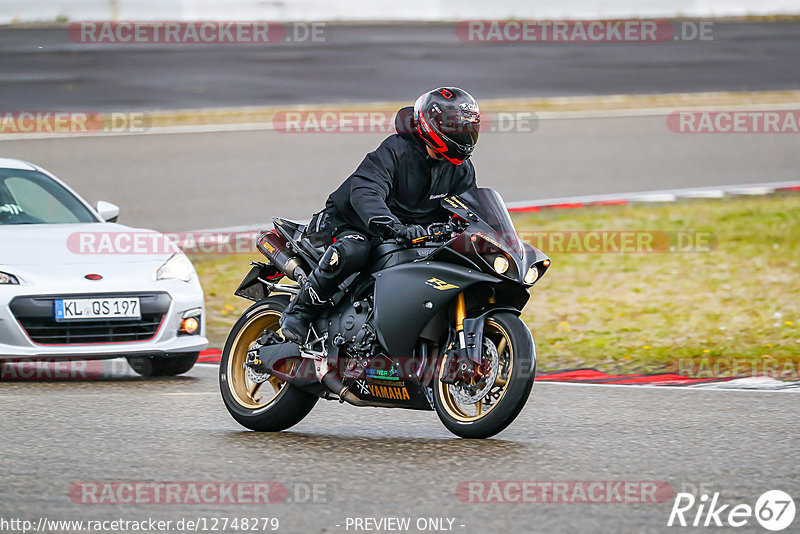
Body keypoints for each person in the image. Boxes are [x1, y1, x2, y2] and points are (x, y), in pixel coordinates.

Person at [280, 87, 481, 343]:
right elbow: (366, 190)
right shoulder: (396, 149)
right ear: (433, 124)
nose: (464, 133)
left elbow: (469, 209)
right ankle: (299, 312)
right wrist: (392, 226)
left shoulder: (460, 169)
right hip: (350, 223)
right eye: (456, 127)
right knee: (355, 249)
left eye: (467, 127)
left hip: (407, 237)